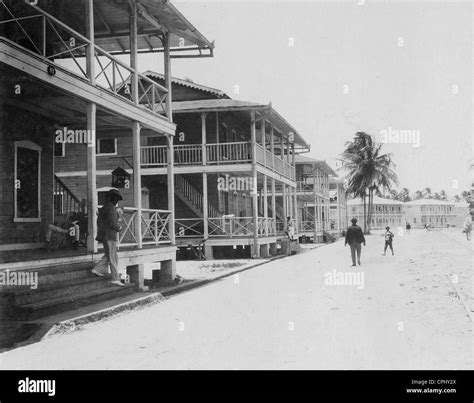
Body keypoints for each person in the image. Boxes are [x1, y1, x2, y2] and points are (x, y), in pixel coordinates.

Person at [91, 189, 124, 286]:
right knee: (113, 257)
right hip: (110, 236)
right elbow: (113, 223)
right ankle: (115, 278)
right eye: (116, 199)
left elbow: (98, 222)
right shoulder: (111, 208)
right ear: (113, 199)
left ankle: (98, 269)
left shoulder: (103, 208)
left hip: (104, 235)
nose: (117, 201)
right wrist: (119, 227)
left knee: (109, 255)